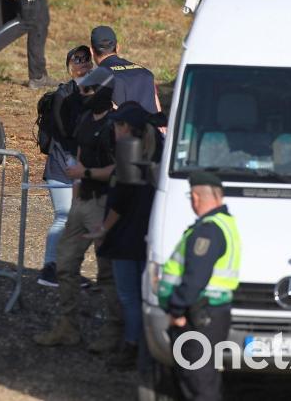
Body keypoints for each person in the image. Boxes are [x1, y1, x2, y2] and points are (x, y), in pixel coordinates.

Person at [34, 66, 122, 349]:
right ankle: (68, 326)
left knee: (107, 273)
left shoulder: (115, 125)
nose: (82, 94)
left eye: (88, 90)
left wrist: (84, 176)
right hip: (82, 202)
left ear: (103, 92)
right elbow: (80, 159)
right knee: (65, 263)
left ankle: (114, 332)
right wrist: (76, 199)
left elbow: (118, 169)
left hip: (104, 204)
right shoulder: (85, 119)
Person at [89, 101, 164, 369]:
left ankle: (134, 346)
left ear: (126, 128)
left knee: (130, 297)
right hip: (149, 235)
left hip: (125, 237)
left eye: (117, 125)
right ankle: (148, 348)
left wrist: (102, 229)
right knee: (147, 298)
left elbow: (120, 202)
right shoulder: (158, 151)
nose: (114, 129)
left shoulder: (127, 154)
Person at [158, 172, 241, 401]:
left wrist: (175, 309)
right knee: (201, 379)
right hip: (209, 314)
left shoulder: (208, 230)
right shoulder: (225, 223)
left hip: (198, 316)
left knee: (198, 382)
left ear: (195, 197)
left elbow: (195, 278)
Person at [38, 45, 92, 287]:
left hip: (84, 166)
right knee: (64, 216)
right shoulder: (64, 95)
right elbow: (66, 131)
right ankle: (49, 269)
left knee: (80, 219)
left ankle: (68, 269)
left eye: (86, 59)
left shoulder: (97, 91)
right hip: (61, 165)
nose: (82, 64)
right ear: (69, 68)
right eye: (76, 60)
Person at [90, 25, 162, 113]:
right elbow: (159, 114)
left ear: (91, 51)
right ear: (117, 47)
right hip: (151, 125)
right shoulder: (146, 73)